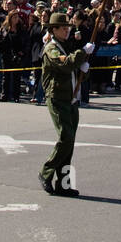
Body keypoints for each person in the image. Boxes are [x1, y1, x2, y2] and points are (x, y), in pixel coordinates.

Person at [38, 11, 94, 197]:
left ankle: (64, 184)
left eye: (67, 28)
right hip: (57, 97)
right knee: (66, 136)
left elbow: (72, 70)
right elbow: (65, 64)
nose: (67, 31)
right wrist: (81, 53)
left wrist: (83, 70)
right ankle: (46, 172)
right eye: (63, 28)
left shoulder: (64, 46)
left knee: (69, 142)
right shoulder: (51, 48)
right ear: (53, 30)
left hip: (71, 97)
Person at [0, 7, 29, 102]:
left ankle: (16, 96)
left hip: (17, 56)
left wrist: (22, 52)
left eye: (17, 17)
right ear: (10, 18)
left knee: (16, 77)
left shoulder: (22, 30)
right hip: (7, 55)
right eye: (14, 17)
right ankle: (4, 95)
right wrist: (3, 50)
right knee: (5, 76)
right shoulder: (4, 29)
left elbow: (26, 42)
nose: (16, 19)